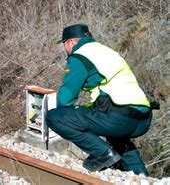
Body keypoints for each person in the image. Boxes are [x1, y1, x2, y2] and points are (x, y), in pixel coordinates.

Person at [46, 24, 152, 175]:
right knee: (117, 137)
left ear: (70, 42)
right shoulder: (107, 51)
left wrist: (66, 118)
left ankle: (103, 154)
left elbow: (66, 97)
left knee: (54, 117)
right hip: (142, 118)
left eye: (64, 44)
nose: (65, 49)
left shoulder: (80, 55)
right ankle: (141, 176)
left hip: (118, 116)